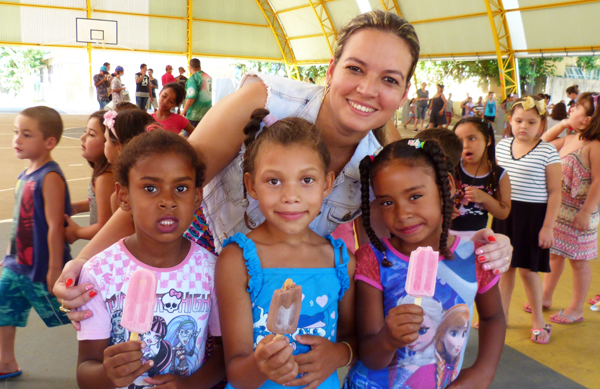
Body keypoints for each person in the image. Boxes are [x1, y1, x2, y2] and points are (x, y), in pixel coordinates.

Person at [54, 10, 512, 325]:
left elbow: (412, 238)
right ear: (331, 68)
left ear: (405, 91)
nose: (368, 89)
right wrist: (85, 262)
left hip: (276, 291)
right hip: (190, 267)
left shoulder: (378, 167)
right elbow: (167, 189)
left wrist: (489, 244)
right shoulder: (265, 101)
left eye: (389, 79)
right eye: (356, 68)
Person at [343, 139, 505, 389]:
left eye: (415, 196)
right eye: (387, 202)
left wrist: (485, 370)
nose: (402, 213)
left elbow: (493, 317)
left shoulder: (475, 257)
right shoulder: (373, 260)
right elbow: (371, 356)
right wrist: (388, 338)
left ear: (446, 186)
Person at [216, 109, 356, 389]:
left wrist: (340, 354)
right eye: (274, 181)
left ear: (326, 184)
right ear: (251, 185)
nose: (291, 196)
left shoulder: (341, 261)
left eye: (306, 180)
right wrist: (261, 364)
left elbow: (353, 337)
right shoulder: (237, 260)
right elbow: (235, 370)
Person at [76, 130, 224, 389]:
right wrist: (107, 374)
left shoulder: (212, 270)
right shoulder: (100, 273)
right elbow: (85, 370)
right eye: (150, 188)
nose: (167, 201)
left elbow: (225, 357)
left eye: (181, 188)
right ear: (124, 196)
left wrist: (189, 385)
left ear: (197, 196)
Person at [0, 106, 72, 380]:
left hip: (41, 270)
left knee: (72, 316)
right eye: (16, 133)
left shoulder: (50, 177)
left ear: (49, 142)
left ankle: (101, 355)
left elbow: (55, 226)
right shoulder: (24, 175)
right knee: (3, 307)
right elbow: (20, 219)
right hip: (17, 266)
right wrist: (9, 255)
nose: (17, 139)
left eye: (26, 134)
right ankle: (6, 362)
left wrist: (55, 269)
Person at [493, 96, 561, 343]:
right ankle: (501, 318)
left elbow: (555, 192)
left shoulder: (547, 151)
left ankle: (538, 322)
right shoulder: (500, 146)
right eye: (519, 120)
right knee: (504, 269)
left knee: (528, 272)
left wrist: (548, 227)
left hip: (534, 218)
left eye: (531, 122)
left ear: (541, 125)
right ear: (510, 120)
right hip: (505, 213)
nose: (524, 126)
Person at [538, 92, 600, 324]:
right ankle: (545, 296)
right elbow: (541, 144)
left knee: (579, 262)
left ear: (587, 120)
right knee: (554, 255)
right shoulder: (570, 138)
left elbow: (598, 181)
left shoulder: (595, 146)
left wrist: (586, 212)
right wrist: (563, 124)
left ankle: (576, 308)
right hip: (560, 213)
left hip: (580, 214)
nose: (570, 110)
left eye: (575, 109)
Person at [452, 118, 511, 239]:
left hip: (476, 239)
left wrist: (485, 198)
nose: (465, 145)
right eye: (459, 141)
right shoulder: (451, 168)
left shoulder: (500, 175)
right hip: (445, 236)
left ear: (488, 140)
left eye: (472, 138)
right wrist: (443, 208)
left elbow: (503, 213)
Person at [64, 111, 115, 243]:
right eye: (85, 131)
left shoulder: (106, 178)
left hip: (105, 248)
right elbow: (102, 203)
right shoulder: (103, 173)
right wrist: (75, 207)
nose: (83, 137)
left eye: (91, 134)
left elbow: (105, 228)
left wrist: (77, 232)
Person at [182, 58, 213, 128]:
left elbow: (191, 97)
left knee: (191, 136)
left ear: (190, 67)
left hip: (195, 115)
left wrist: (183, 111)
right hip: (207, 113)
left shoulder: (193, 78)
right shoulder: (208, 77)